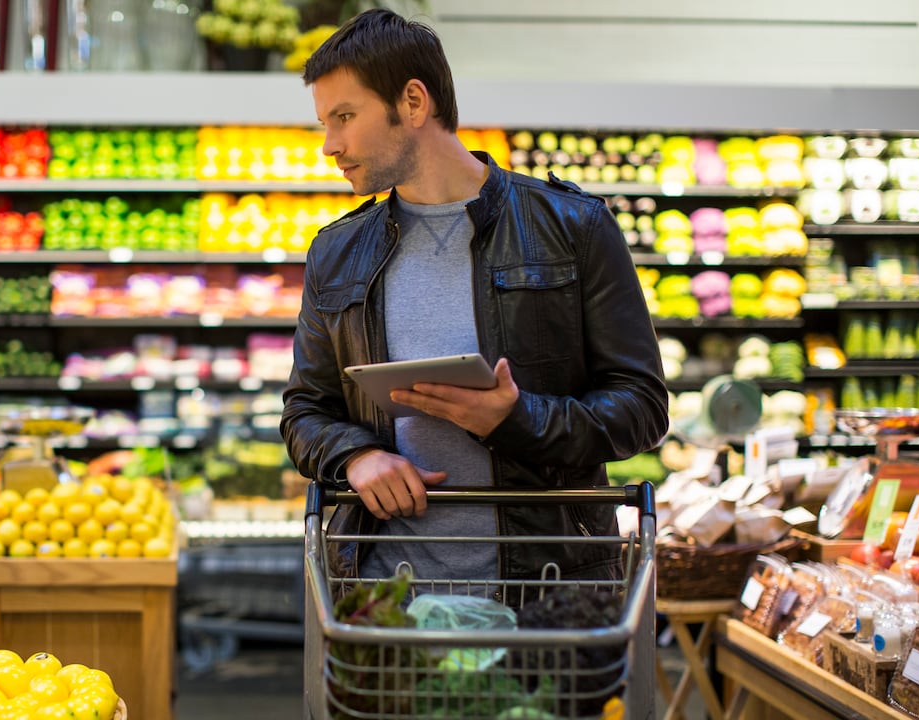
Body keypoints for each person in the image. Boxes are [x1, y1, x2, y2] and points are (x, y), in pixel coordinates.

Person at [279, 8, 669, 596]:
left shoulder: (572, 227)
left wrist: (516, 421)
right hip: (388, 599)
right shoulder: (337, 252)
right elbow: (305, 411)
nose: (329, 146)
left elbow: (641, 408)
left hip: (548, 592)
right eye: (324, 123)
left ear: (413, 103)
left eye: (344, 117)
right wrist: (356, 457)